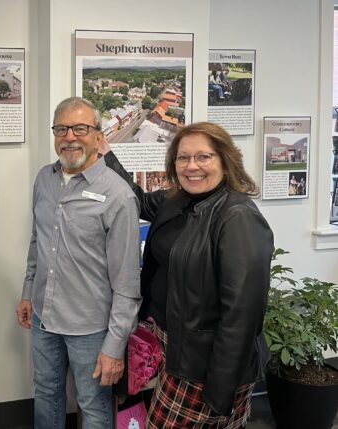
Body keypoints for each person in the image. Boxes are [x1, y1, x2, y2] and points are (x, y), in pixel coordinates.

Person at [102, 121, 274, 429]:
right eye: (183, 158)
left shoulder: (238, 217)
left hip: (205, 363)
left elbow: (242, 316)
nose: (192, 166)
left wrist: (220, 388)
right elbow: (138, 201)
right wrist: (104, 154)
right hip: (172, 345)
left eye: (203, 157)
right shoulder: (177, 200)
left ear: (225, 160)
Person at [17, 96, 141, 429]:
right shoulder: (45, 179)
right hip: (44, 319)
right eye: (61, 129)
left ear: (99, 137)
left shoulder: (118, 195)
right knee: (46, 394)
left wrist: (114, 346)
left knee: (93, 405)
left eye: (80, 128)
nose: (70, 136)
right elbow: (37, 242)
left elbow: (128, 283)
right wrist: (29, 292)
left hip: (91, 328)